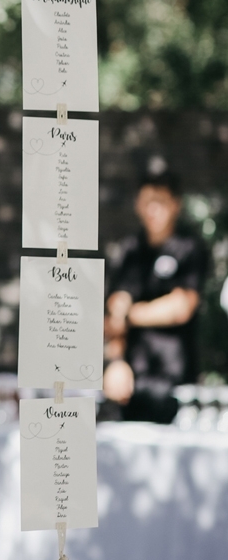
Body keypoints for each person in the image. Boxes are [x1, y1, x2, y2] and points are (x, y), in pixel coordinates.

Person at [103, 169, 208, 423]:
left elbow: (181, 307)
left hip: (174, 380)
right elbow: (113, 312)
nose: (153, 210)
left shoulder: (189, 247)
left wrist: (129, 314)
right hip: (130, 381)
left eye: (160, 202)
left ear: (175, 204)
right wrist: (115, 363)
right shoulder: (129, 251)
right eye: (147, 202)